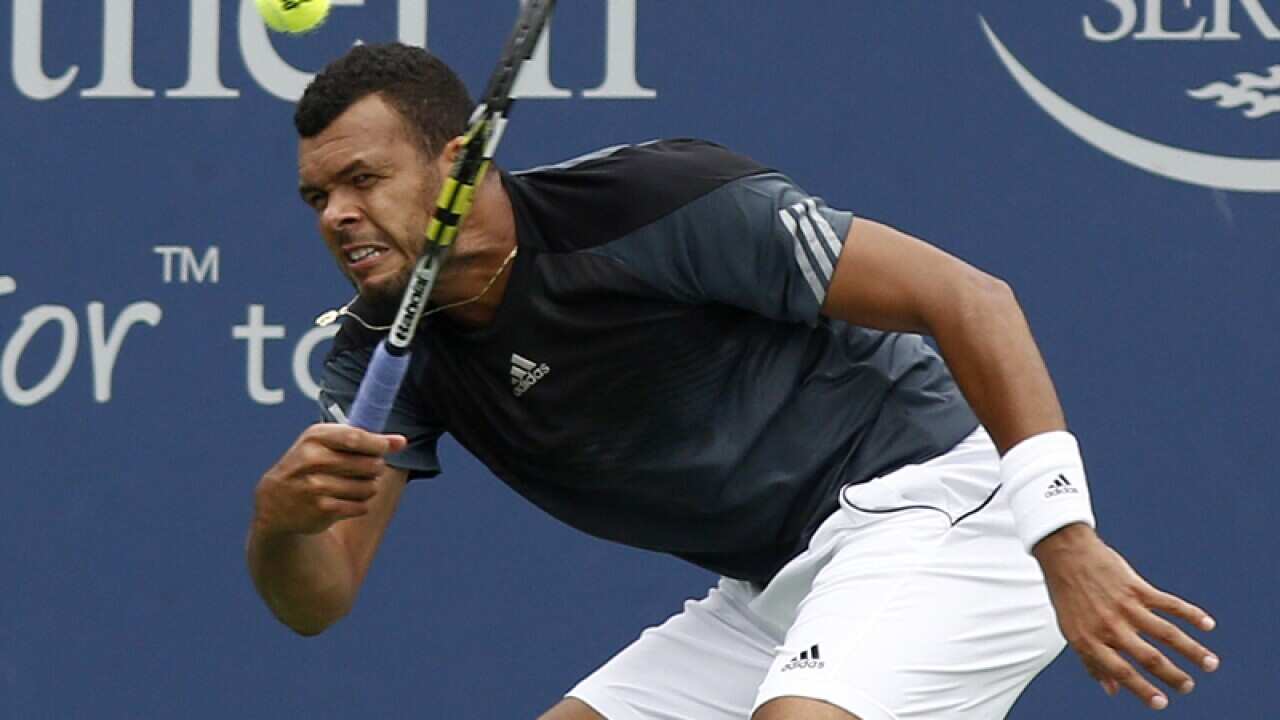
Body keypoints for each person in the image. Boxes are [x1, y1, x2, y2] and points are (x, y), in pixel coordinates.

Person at [247, 43, 1218, 720]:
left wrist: (1062, 533)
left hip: (944, 511)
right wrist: (281, 520)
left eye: (363, 180)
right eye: (315, 196)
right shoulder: (381, 348)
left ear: (458, 164)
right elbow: (317, 598)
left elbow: (969, 298)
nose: (335, 214)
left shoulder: (652, 205)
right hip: (779, 586)